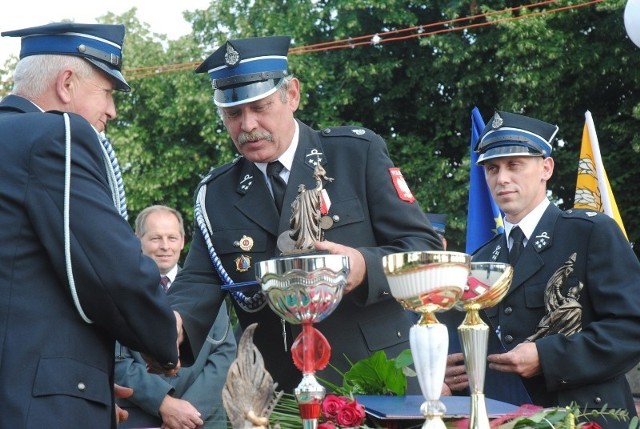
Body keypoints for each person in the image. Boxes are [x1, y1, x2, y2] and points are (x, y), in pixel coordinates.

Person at [167, 35, 443, 393]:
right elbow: (201, 280)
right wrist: (172, 323)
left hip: (375, 379)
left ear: (292, 94)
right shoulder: (217, 192)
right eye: (233, 113)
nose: (247, 125)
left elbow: (423, 249)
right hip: (275, 392)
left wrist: (363, 267)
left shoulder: (355, 155)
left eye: (260, 107)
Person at [0, 23, 179, 428]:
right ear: (66, 83)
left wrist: (85, 387)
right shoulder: (54, 135)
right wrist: (164, 337)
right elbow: (111, 272)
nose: (112, 111)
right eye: (108, 91)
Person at [449, 110, 640, 426]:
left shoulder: (589, 233)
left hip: (586, 417)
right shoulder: (483, 257)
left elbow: (632, 327)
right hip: (503, 418)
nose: (502, 178)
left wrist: (548, 357)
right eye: (492, 168)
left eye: (514, 165)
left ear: (546, 168)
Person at [115, 205, 236, 429]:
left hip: (202, 419)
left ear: (182, 241)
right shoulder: (118, 290)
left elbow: (224, 354)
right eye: (155, 238)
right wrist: (164, 404)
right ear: (137, 239)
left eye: (172, 238)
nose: (165, 246)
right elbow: (116, 361)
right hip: (141, 419)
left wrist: (188, 412)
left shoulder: (207, 288)